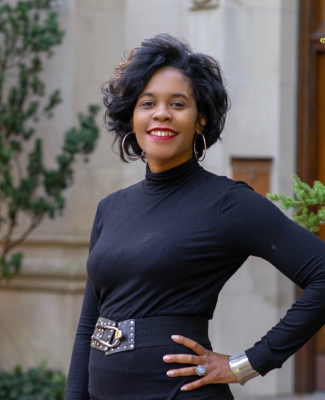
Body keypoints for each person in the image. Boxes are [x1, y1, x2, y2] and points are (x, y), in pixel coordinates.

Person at [64, 33, 325, 400]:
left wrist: (245, 365)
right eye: (147, 102)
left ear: (201, 120)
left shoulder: (227, 203)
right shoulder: (111, 208)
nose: (161, 114)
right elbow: (87, 326)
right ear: (132, 116)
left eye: (178, 103)